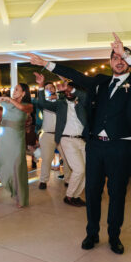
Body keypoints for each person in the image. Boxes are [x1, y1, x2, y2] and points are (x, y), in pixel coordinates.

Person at [29, 32, 131, 254]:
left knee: (117, 194)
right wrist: (48, 64)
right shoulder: (100, 82)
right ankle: (92, 233)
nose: (119, 61)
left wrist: (124, 50)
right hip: (95, 146)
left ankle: (114, 237)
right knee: (93, 191)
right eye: (115, 58)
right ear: (109, 62)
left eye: (123, 58)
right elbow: (75, 75)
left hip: (120, 147)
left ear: (128, 61)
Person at [36, 74, 89, 207]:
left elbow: (86, 96)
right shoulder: (60, 104)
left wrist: (71, 89)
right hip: (66, 140)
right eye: (65, 90)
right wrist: (41, 86)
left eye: (70, 89)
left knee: (85, 170)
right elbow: (42, 103)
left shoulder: (81, 102)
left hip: (82, 140)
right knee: (79, 169)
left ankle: (75, 196)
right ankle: (69, 196)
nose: (68, 91)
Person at [35, 82, 71, 189]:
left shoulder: (62, 102)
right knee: (46, 159)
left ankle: (68, 180)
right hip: (47, 134)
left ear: (55, 89)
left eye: (51, 87)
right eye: (47, 88)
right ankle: (43, 181)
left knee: (66, 158)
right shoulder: (42, 103)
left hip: (62, 135)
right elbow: (38, 104)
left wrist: (59, 96)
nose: (50, 89)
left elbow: (68, 98)